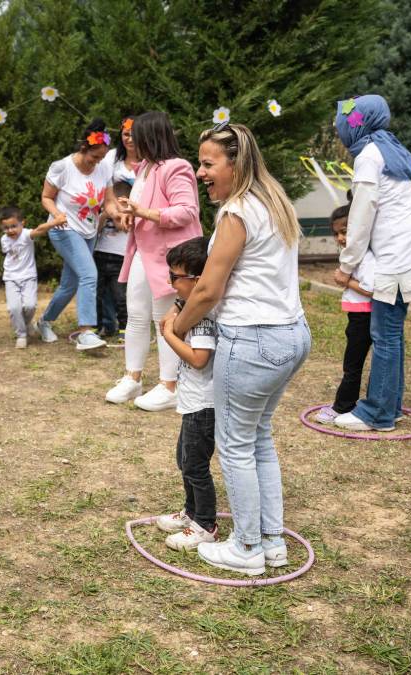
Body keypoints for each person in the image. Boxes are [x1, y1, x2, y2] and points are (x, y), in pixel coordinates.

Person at [170, 122, 310, 576]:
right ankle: (271, 542)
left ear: (236, 163)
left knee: (234, 446)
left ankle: (246, 548)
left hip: (253, 340)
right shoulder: (273, 201)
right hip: (291, 334)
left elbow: (208, 289)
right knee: (258, 438)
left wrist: (178, 326)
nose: (200, 172)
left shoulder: (237, 212)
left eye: (208, 163)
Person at [331, 95, 411, 432]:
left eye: (342, 125)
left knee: (385, 335)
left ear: (355, 125)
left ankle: (376, 414)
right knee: (391, 334)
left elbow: (360, 217)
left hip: (399, 259)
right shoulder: (393, 150)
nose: (340, 132)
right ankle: (389, 407)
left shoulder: (368, 156)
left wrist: (346, 266)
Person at [107, 111, 202, 411]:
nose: (131, 140)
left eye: (137, 135)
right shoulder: (145, 168)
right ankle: (132, 377)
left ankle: (169, 385)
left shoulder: (177, 167)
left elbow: (187, 211)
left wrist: (143, 213)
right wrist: (130, 215)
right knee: (136, 314)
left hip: (168, 257)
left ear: (151, 136)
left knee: (164, 318)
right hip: (143, 252)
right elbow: (142, 207)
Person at [154, 237, 218, 551]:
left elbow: (199, 358)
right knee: (184, 459)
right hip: (193, 402)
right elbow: (178, 306)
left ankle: (205, 524)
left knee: (195, 466)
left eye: (176, 277)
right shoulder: (190, 308)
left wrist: (168, 334)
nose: (171, 282)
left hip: (204, 405)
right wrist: (176, 309)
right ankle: (191, 512)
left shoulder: (202, 318)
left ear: (198, 280)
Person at [34, 118, 112, 350]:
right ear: (83, 148)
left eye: (101, 158)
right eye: (93, 157)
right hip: (64, 229)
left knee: (69, 285)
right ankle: (86, 332)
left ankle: (44, 322)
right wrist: (57, 214)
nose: (97, 162)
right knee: (89, 274)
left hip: (89, 231)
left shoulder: (103, 167)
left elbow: (109, 202)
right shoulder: (62, 167)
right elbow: (46, 197)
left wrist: (119, 212)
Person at [314, 202, 375, 424]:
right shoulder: (354, 255)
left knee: (352, 365)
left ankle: (342, 407)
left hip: (365, 317)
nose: (340, 238)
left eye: (345, 231)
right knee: (353, 363)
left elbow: (370, 288)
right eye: (336, 234)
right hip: (357, 316)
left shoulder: (365, 257)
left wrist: (346, 281)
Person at [96, 115, 138, 341]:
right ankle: (106, 324)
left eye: (134, 134)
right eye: (125, 134)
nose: (129, 139)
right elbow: (102, 190)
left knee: (123, 288)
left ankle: (128, 325)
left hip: (135, 231)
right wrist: (111, 212)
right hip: (107, 233)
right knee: (103, 286)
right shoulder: (111, 159)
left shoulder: (150, 162)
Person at [0, 206, 55, 348]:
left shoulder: (26, 234)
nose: (10, 230)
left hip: (28, 276)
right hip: (11, 277)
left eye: (13, 226)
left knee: (30, 306)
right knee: (14, 308)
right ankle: (21, 335)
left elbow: (40, 230)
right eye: (6, 228)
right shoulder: (4, 240)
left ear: (22, 223)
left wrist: (55, 222)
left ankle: (26, 323)